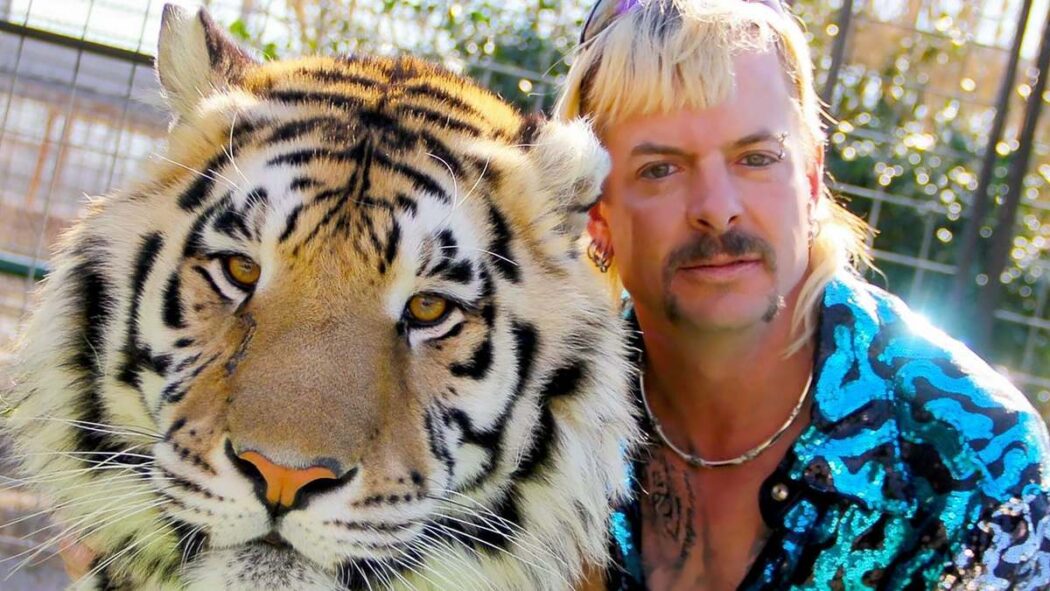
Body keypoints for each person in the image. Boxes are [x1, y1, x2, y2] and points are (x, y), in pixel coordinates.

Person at [557, 0, 1050, 589]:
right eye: (660, 169)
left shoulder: (974, 456)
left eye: (756, 159)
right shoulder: (541, 421)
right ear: (597, 215)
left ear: (812, 181)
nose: (717, 208)